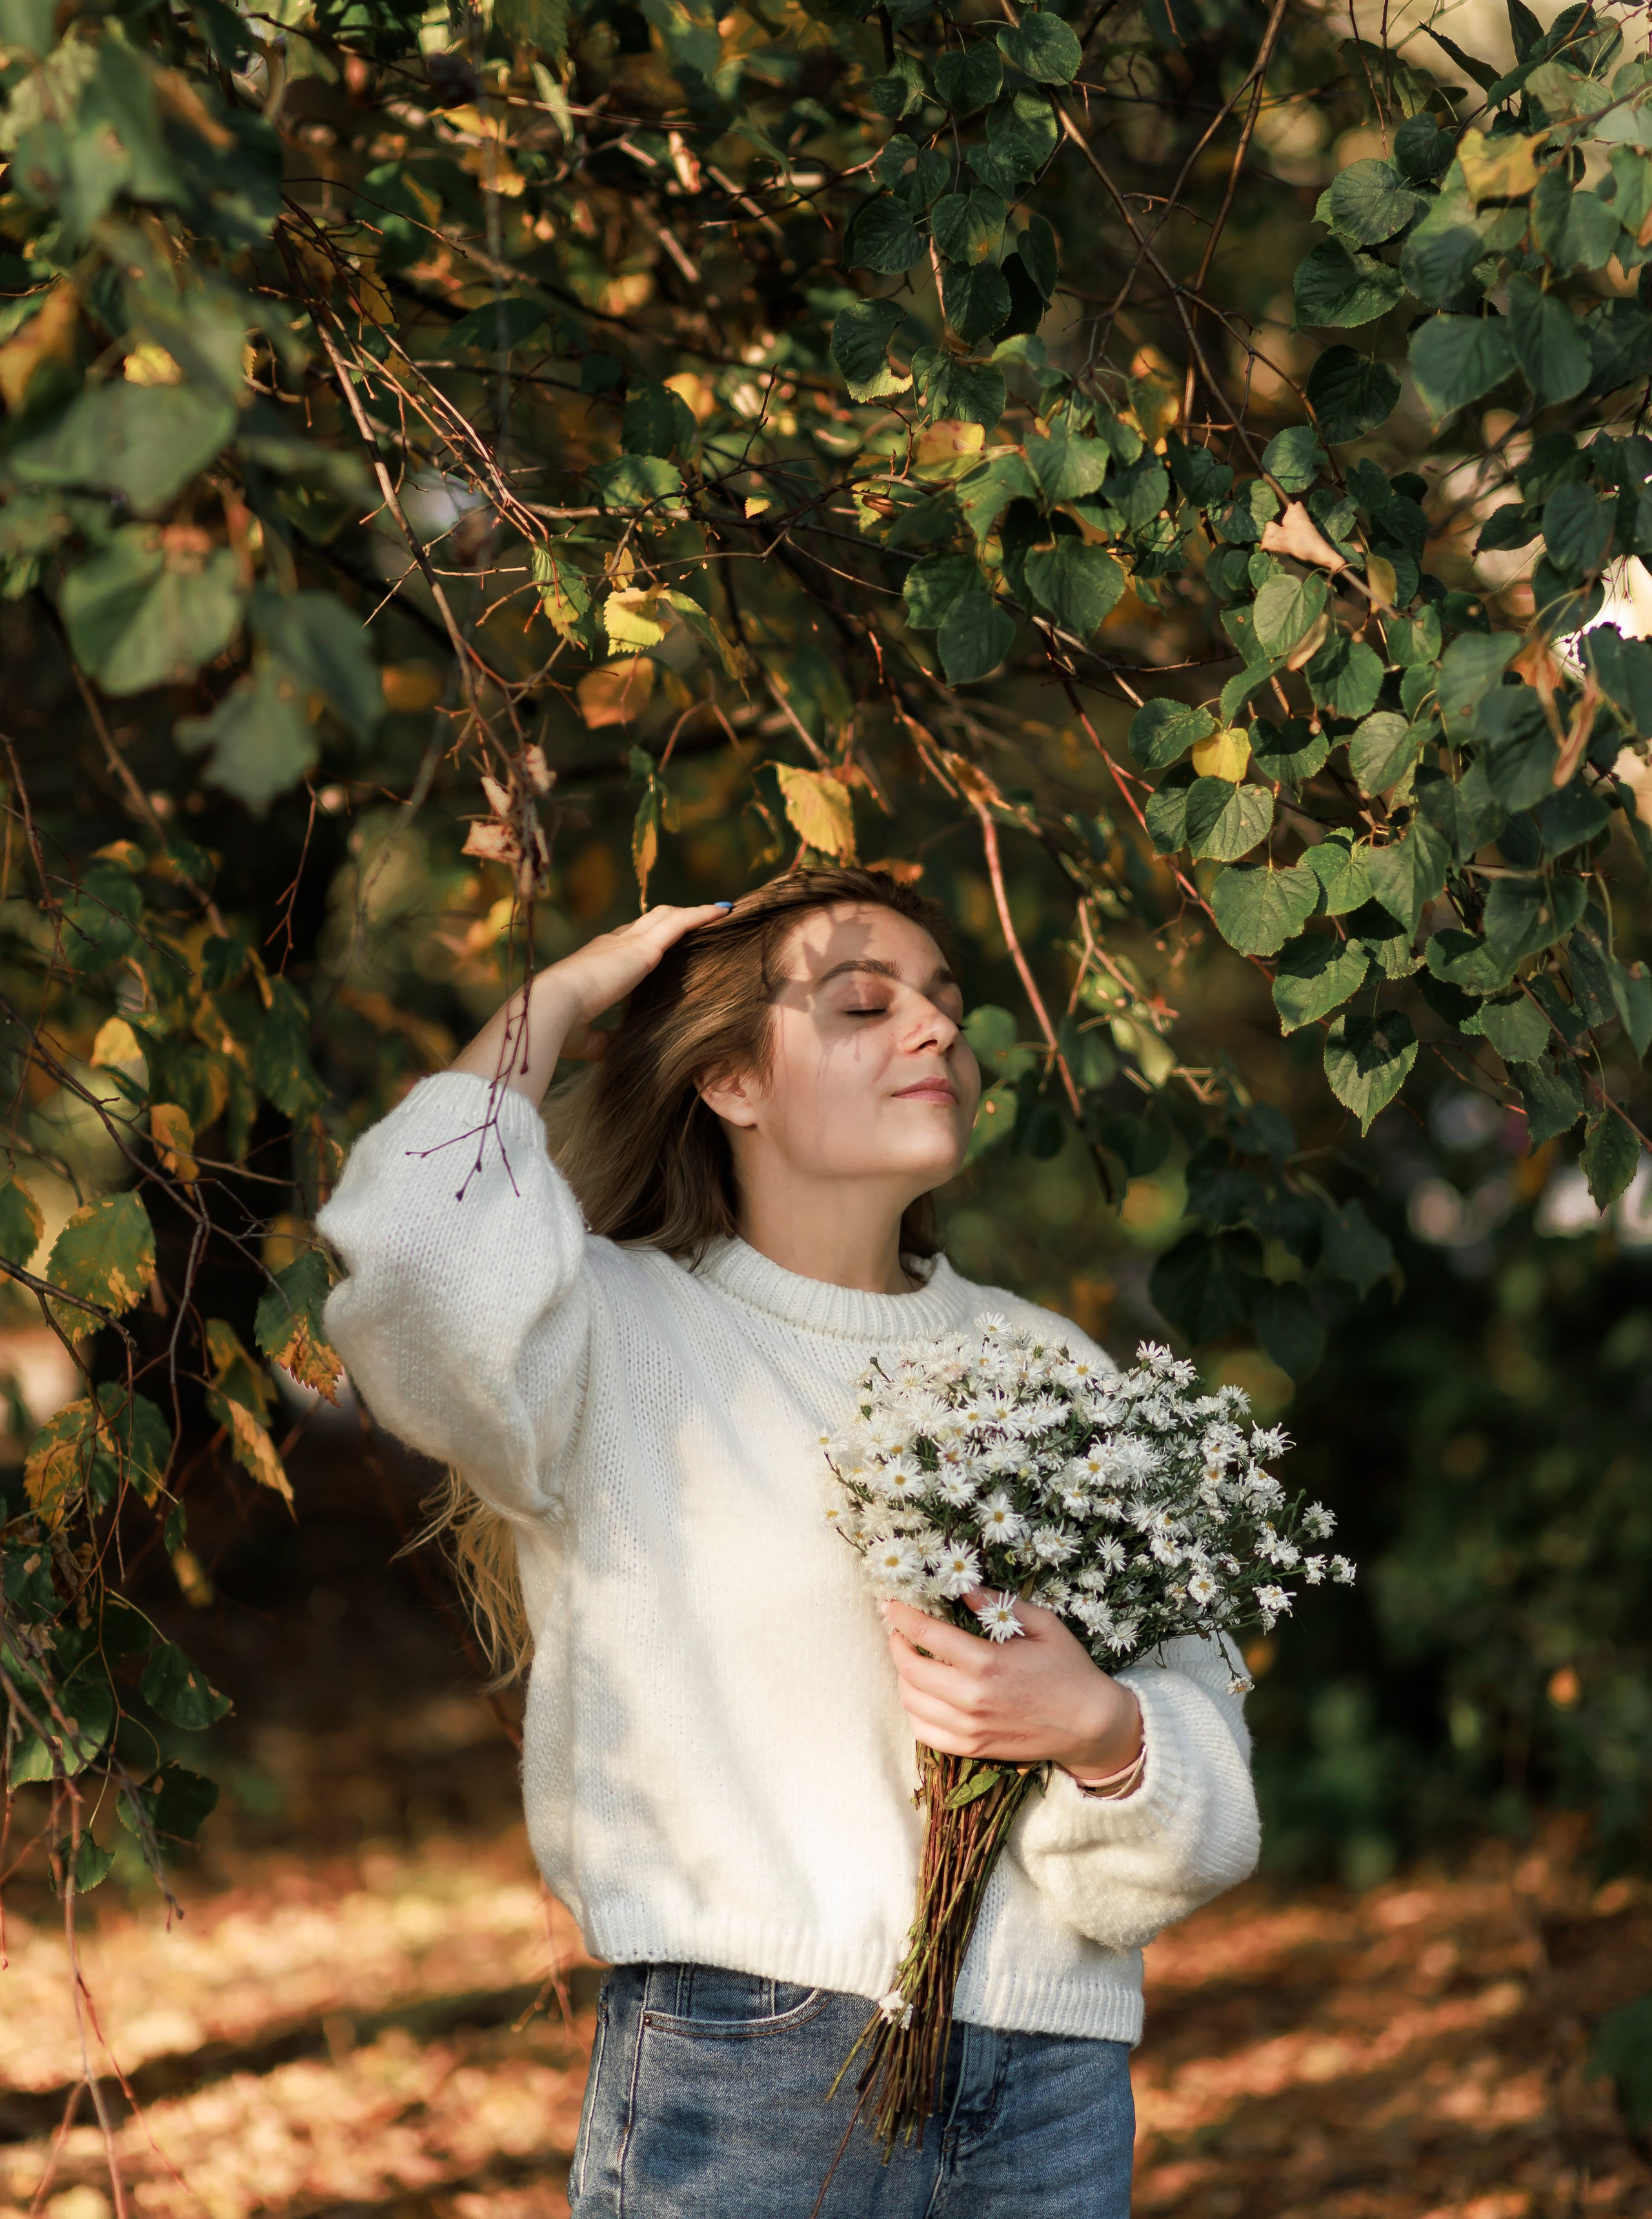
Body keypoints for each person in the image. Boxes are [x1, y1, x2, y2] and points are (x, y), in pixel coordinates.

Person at [318, 866, 1260, 2218]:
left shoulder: (1053, 1373)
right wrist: (573, 987)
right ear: (729, 1082)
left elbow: (1205, 1774)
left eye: (943, 1005)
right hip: (743, 2074)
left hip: (1050, 2082)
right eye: (863, 1005)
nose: (937, 1031)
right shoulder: (609, 1337)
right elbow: (410, 1255)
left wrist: (1102, 1734)